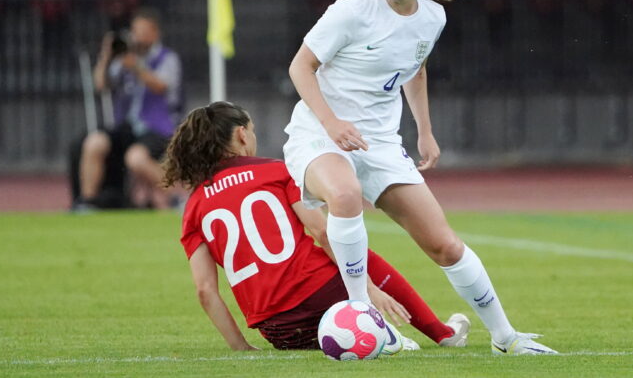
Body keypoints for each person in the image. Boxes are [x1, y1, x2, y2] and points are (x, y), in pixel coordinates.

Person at [283, 0, 556, 355]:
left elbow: (415, 68)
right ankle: (363, 318)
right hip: (319, 133)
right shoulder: (350, 11)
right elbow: (300, 67)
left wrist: (425, 131)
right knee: (346, 195)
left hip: (381, 143)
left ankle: (506, 338)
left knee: (445, 245)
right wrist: (333, 124)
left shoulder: (433, 17)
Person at [163, 101, 470, 351]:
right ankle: (436, 333)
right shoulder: (275, 172)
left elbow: (205, 291)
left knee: (340, 268)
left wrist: (241, 348)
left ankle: (367, 335)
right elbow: (323, 232)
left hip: (279, 332)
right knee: (356, 248)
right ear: (242, 134)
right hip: (323, 296)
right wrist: (368, 288)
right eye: (253, 131)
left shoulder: (193, 207)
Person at [72, 8, 183, 210]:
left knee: (136, 158)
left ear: (154, 33)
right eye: (134, 31)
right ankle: (87, 202)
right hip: (126, 126)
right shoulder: (123, 60)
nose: (137, 36)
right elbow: (100, 85)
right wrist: (107, 56)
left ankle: (176, 197)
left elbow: (160, 86)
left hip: (157, 128)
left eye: (142, 31)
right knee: (94, 142)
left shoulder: (167, 58)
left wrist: (136, 66)